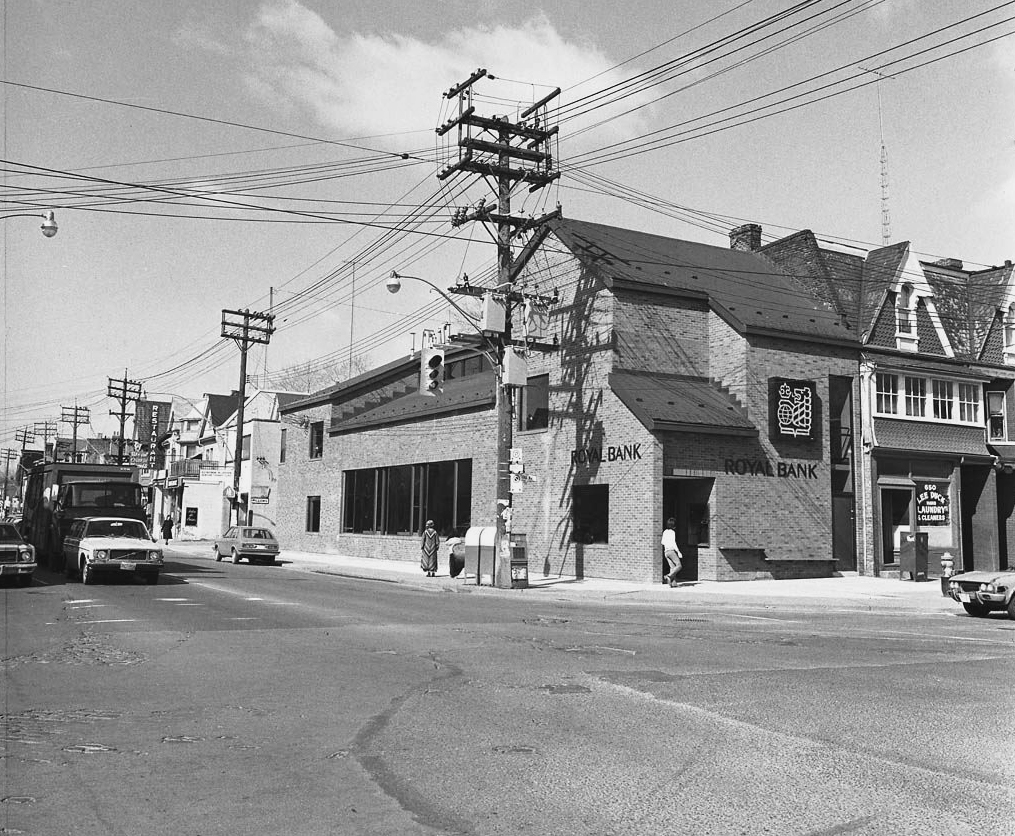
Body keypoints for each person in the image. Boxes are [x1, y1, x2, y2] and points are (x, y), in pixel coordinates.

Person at [661, 517, 682, 586]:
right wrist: (678, 552)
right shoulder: (672, 532)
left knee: (672, 568)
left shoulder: (665, 532)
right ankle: (668, 576)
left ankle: (673, 584)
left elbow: (662, 542)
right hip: (671, 551)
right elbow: (673, 543)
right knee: (679, 566)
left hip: (666, 552)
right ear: (673, 525)